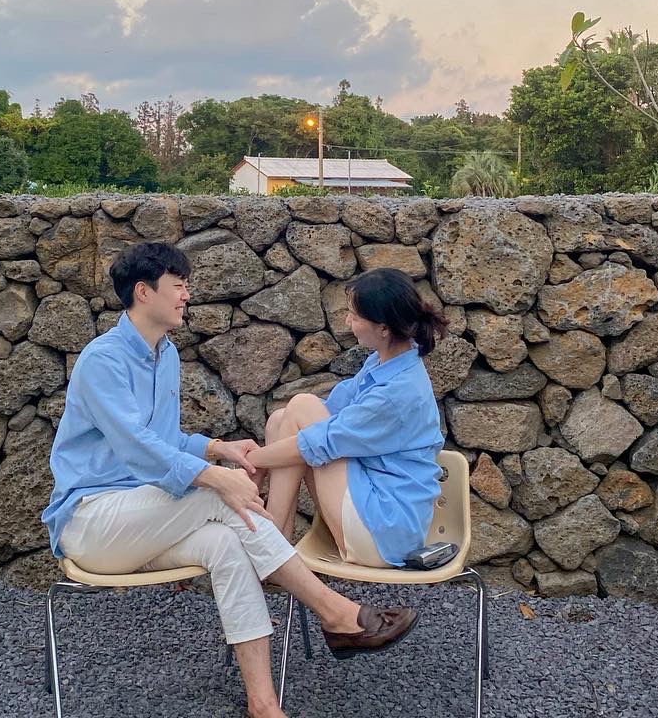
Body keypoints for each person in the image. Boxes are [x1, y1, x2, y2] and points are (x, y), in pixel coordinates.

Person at [43, 242, 419, 718]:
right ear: (143, 292)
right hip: (93, 520)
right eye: (178, 285)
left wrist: (219, 449)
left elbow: (163, 439)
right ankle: (336, 613)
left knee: (226, 544)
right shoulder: (104, 360)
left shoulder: (165, 355)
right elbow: (135, 446)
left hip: (145, 520)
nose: (186, 295)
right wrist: (216, 477)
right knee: (223, 498)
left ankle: (264, 706)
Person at [247, 268, 445, 569]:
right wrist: (261, 460)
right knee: (280, 419)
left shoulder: (398, 391)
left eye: (354, 315)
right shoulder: (383, 362)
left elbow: (320, 441)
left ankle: (270, 547)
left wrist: (252, 461)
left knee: (300, 406)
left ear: (383, 328)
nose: (347, 322)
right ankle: (276, 548)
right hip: (369, 507)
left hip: (383, 531)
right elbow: (333, 412)